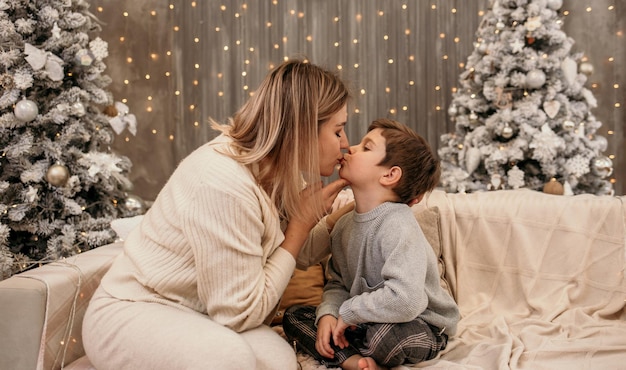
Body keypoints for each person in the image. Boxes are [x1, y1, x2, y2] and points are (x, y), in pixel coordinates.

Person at [82, 59, 354, 370]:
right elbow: (239, 313)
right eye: (338, 130)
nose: (345, 144)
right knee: (229, 359)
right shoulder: (223, 182)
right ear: (302, 131)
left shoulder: (283, 170)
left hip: (200, 313)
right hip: (132, 311)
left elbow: (297, 252)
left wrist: (346, 213)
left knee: (279, 361)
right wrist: (301, 224)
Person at [283, 119, 460, 370]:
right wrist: (330, 315)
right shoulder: (343, 226)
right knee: (294, 317)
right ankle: (355, 361)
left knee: (384, 340)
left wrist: (348, 313)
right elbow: (338, 283)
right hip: (365, 321)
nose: (351, 148)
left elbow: (407, 301)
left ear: (389, 175)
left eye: (366, 147)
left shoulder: (398, 225)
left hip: (420, 323)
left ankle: (349, 352)